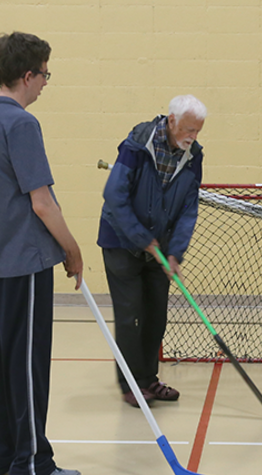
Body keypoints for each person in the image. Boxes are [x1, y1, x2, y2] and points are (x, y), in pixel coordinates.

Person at [0, 32, 83, 475]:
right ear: (26, 75)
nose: (45, 85)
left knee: (0, 360)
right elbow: (42, 203)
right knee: (28, 365)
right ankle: (32, 463)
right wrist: (71, 250)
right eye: (44, 75)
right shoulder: (20, 125)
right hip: (27, 262)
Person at [97, 95, 206, 407]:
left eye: (197, 131)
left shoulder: (193, 157)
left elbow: (188, 209)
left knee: (155, 316)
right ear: (171, 121)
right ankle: (130, 384)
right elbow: (114, 195)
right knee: (130, 315)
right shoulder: (136, 145)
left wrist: (176, 252)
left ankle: (147, 379)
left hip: (159, 249)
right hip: (121, 243)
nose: (192, 137)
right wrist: (140, 237)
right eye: (188, 129)